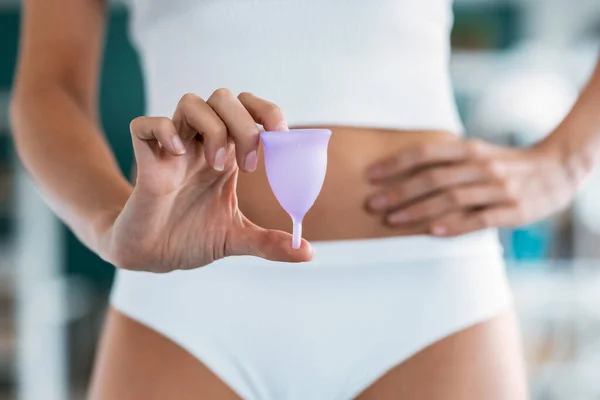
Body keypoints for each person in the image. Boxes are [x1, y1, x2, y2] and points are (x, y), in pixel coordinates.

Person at [9, 0, 600, 398]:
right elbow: (47, 87)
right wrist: (111, 225)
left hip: (426, 295)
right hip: (182, 297)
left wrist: (568, 158)